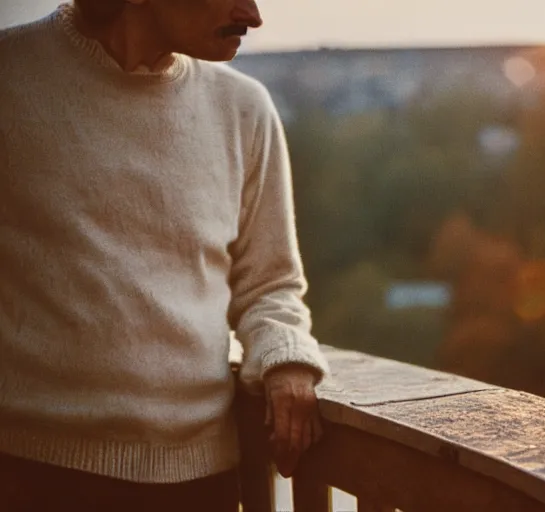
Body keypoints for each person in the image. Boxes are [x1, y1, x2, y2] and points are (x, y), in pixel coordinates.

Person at [0, 0, 330, 510]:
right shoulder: (11, 80)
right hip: (28, 473)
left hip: (202, 482)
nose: (253, 15)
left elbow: (270, 286)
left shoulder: (244, 109)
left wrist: (286, 360)